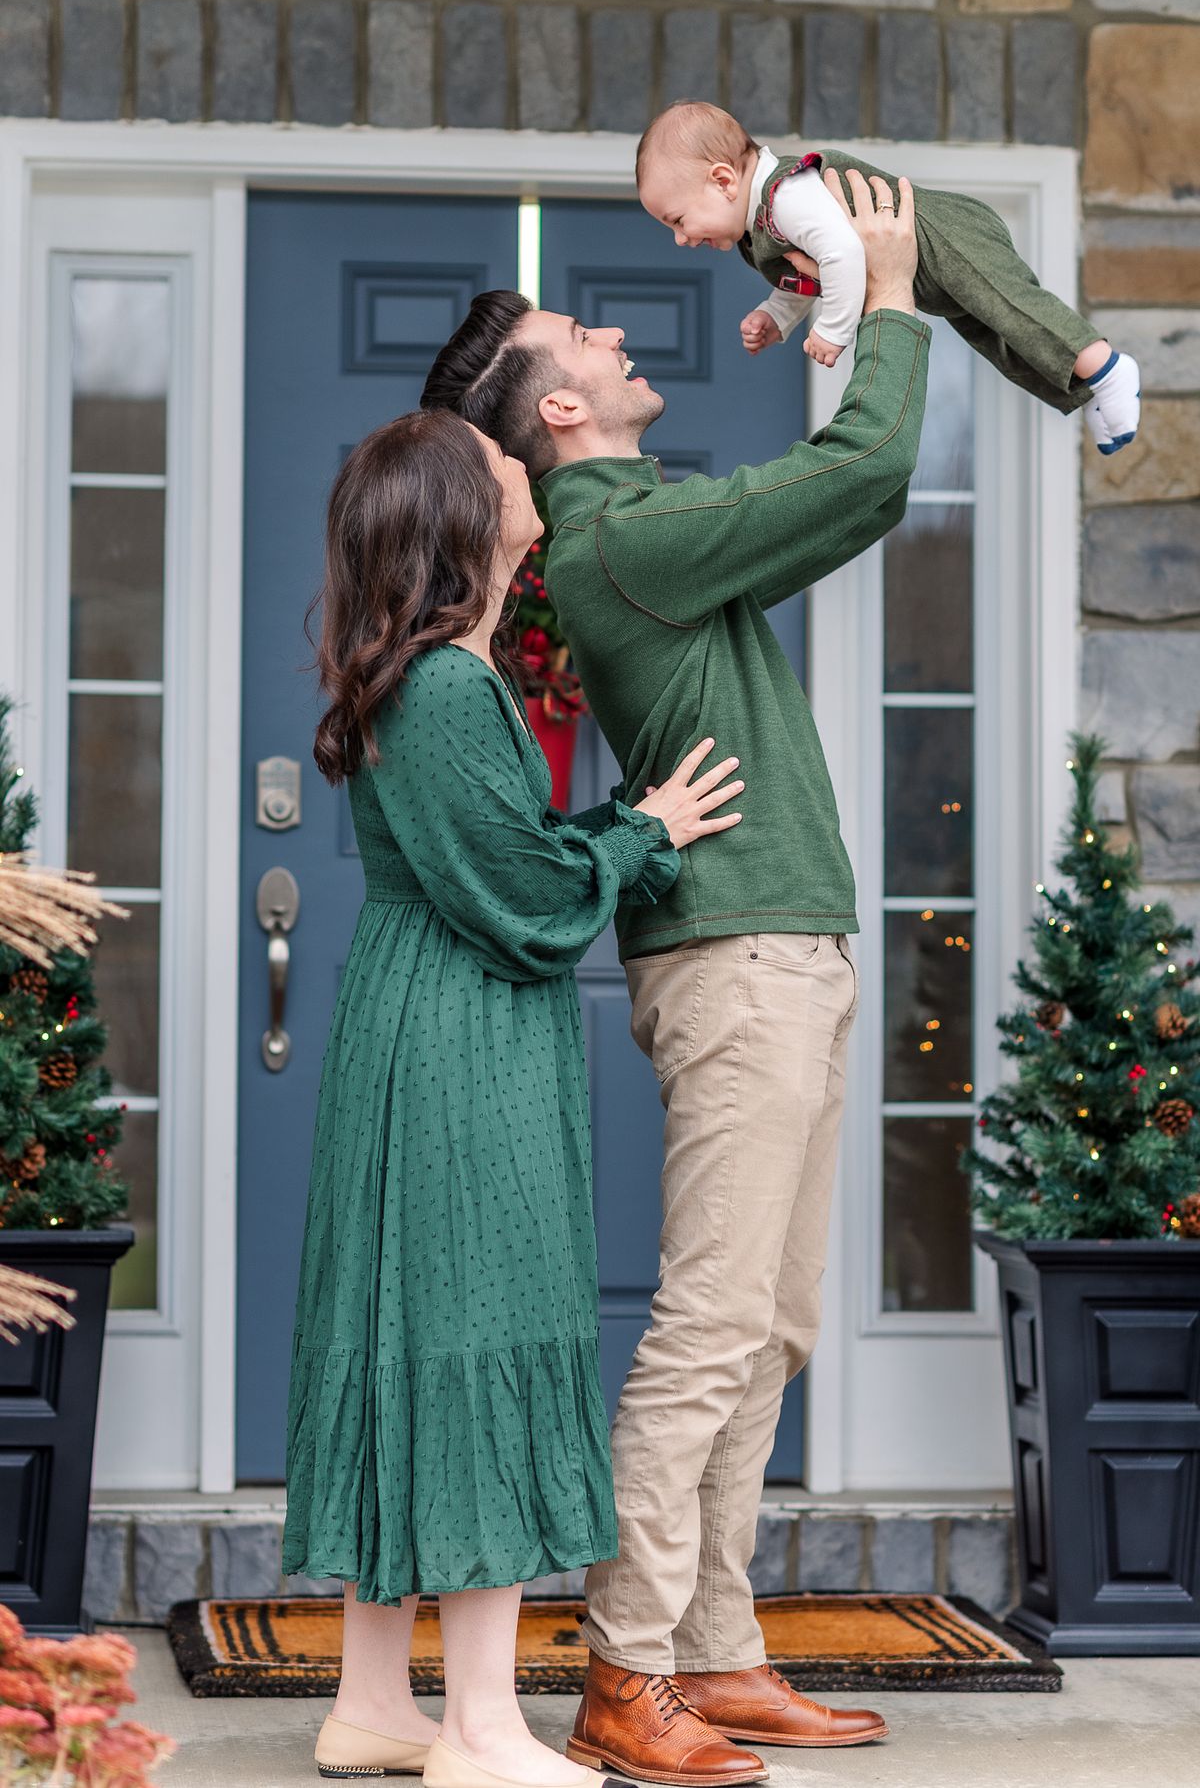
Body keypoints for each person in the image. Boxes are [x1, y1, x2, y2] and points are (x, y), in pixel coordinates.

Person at [420, 168, 923, 1786]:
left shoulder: (647, 528)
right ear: (563, 406)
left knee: (768, 1322)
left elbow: (817, 497)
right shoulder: (621, 527)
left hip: (781, 944)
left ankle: (715, 1646)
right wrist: (889, 293)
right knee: (711, 1325)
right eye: (591, 329)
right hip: (741, 959)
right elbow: (867, 471)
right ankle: (629, 1665)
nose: (625, 328)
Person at [281, 407, 745, 1784]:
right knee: (477, 1325)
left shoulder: (426, 681)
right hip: (459, 1043)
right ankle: (481, 1727)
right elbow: (528, 900)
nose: (519, 472)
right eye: (498, 470)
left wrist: (621, 829)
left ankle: (377, 1699)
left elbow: (514, 854)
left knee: (411, 1334)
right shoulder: (444, 688)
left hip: (418, 1021)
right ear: (457, 520)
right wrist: (647, 834)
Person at [636, 100, 1140, 456]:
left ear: (723, 180)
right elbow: (802, 277)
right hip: (921, 271)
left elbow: (842, 256)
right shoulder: (758, 224)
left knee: (1011, 307)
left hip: (943, 236)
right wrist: (776, 316)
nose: (681, 239)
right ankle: (1084, 391)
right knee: (997, 337)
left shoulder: (786, 196)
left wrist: (833, 330)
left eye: (678, 221)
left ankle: (1108, 368)